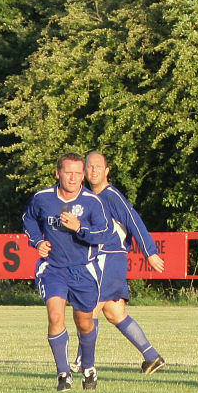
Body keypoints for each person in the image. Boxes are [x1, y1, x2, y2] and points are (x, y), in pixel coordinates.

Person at [70, 151, 167, 374]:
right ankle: (152, 356)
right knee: (115, 313)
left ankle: (81, 360)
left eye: (97, 166)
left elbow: (134, 222)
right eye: (89, 166)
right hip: (98, 260)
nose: (93, 170)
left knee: (89, 306)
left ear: (107, 171)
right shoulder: (85, 198)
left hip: (111, 258)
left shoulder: (111, 196)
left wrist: (149, 252)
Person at [22, 152, 110, 391]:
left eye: (78, 173)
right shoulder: (42, 198)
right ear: (57, 173)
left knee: (84, 322)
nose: (73, 178)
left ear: (83, 175)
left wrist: (80, 227)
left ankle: (89, 367)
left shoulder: (93, 202)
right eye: (68, 172)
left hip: (84, 270)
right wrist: (38, 242)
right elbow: (29, 221)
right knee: (55, 316)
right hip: (52, 268)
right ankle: (63, 374)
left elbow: (103, 234)